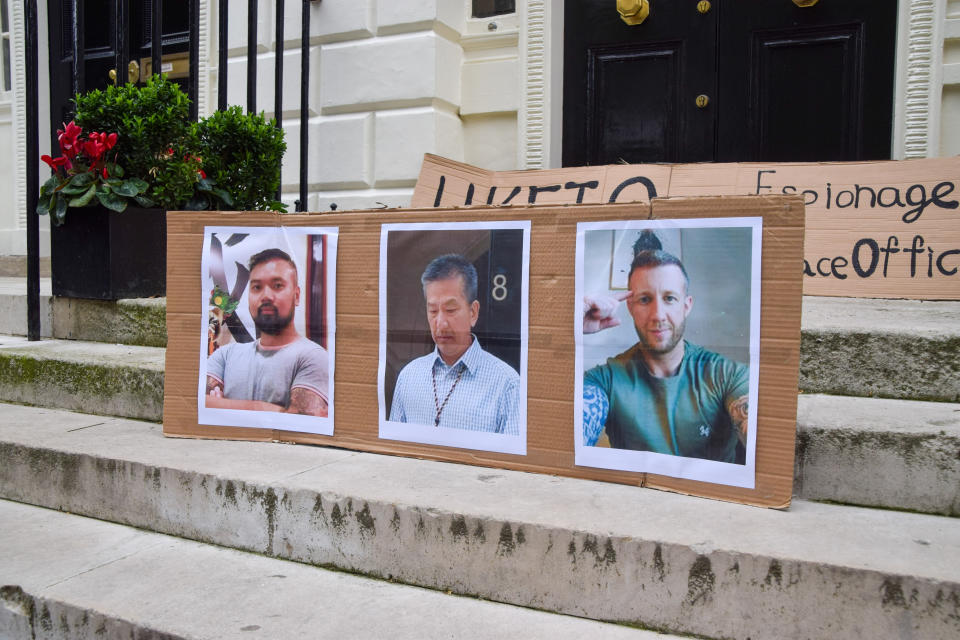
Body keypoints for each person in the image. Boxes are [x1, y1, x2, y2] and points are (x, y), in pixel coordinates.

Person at [582, 231, 749, 463]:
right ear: (630, 307)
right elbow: (562, 437)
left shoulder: (728, 375)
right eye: (644, 299)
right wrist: (569, 325)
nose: (658, 315)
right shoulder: (605, 380)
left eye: (669, 298)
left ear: (686, 305)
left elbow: (767, 445)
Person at [390, 254, 520, 435]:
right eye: (433, 311)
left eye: (450, 310)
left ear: (473, 312)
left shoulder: (507, 385)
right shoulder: (408, 377)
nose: (441, 323)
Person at [205, 248, 329, 416]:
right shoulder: (225, 355)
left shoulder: (313, 357)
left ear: (297, 296)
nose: (266, 296)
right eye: (257, 287)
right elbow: (196, 405)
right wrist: (270, 409)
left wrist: (222, 405)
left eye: (277, 286)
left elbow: (299, 421)